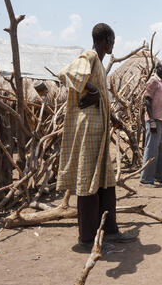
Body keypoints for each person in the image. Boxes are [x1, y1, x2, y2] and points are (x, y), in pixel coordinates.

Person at [57, 23, 136, 250]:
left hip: (98, 132)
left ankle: (109, 231)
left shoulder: (100, 64)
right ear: (105, 40)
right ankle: (87, 238)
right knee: (88, 181)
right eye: (112, 41)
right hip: (88, 131)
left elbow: (100, 96)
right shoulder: (90, 55)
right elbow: (67, 73)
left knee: (104, 180)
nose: (113, 45)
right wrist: (92, 91)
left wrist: (112, 117)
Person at [140, 61, 162, 186]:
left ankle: (159, 175)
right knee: (151, 149)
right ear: (157, 68)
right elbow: (147, 100)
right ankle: (146, 178)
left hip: (161, 119)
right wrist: (151, 121)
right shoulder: (153, 81)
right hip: (154, 119)